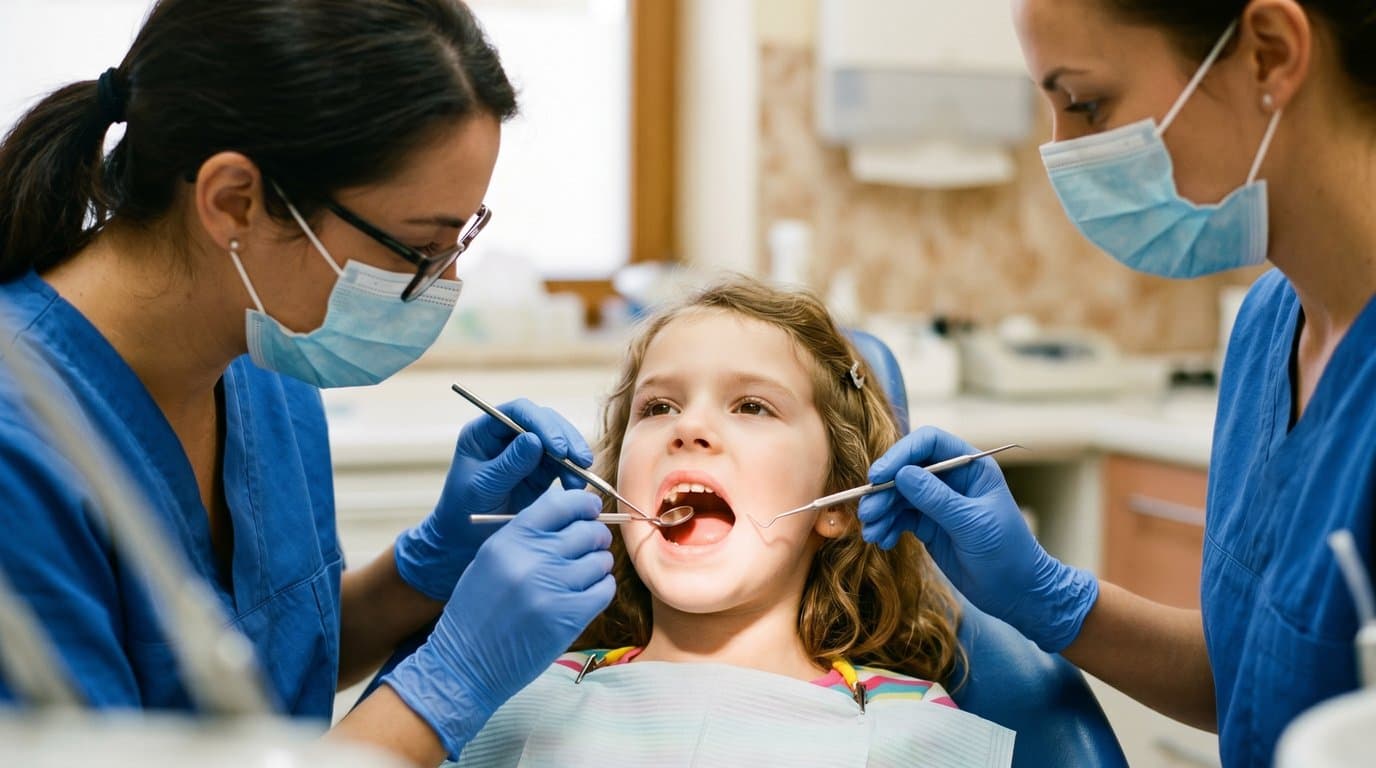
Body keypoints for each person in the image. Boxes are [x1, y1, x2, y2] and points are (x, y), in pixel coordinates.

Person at [0, 1, 613, 765]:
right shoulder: (20, 450)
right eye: (419, 247)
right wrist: (447, 683)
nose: (445, 283)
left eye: (461, 239)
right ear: (234, 201)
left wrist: (425, 569)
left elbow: (249, 671)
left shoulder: (264, 357)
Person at [858, 1, 1376, 765]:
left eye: (1088, 104)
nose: (1062, 151)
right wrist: (1047, 596)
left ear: (1268, 54)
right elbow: (1262, 680)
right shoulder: (1272, 326)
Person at [454, 278, 1015, 766]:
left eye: (751, 406)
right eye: (658, 407)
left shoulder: (908, 720)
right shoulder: (524, 687)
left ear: (839, 503)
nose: (689, 427)